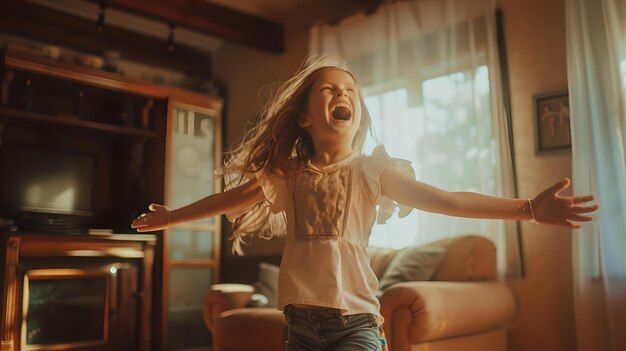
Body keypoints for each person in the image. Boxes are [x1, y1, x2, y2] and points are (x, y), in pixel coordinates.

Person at [131, 56, 598, 351]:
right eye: (330, 90)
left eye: (350, 91)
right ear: (306, 118)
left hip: (356, 323)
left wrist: (528, 209)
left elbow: (448, 200)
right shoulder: (286, 177)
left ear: (356, 117)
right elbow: (227, 199)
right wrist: (172, 216)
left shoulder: (373, 171)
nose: (343, 94)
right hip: (299, 326)